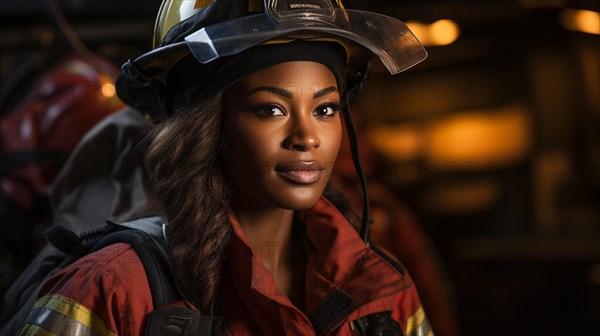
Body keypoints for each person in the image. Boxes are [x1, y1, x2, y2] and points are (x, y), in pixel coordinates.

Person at [17, 0, 432, 335]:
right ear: (206, 127)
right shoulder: (113, 289)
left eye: (325, 108)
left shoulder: (380, 292)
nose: (307, 137)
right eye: (271, 109)